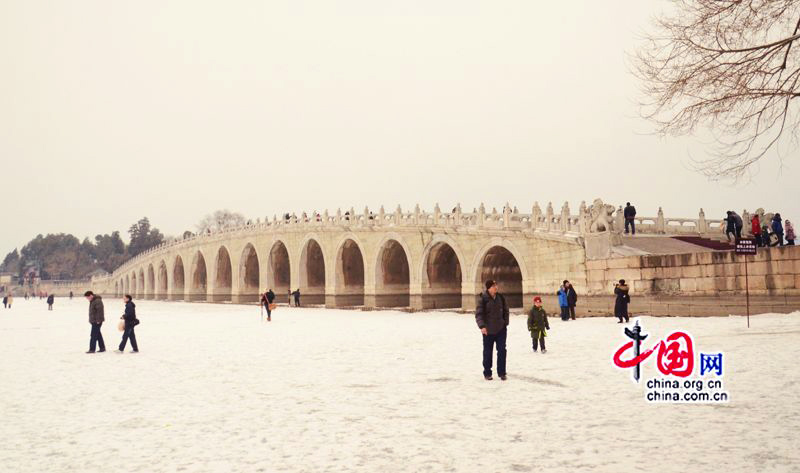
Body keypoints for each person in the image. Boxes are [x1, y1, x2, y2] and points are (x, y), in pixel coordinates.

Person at [475, 280, 509, 381]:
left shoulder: (500, 297)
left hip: (501, 329)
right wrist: (482, 326)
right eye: (494, 286)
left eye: (496, 285)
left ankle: (502, 372)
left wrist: (505, 323)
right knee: (487, 352)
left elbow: (506, 311)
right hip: (488, 331)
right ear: (489, 288)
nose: (496, 287)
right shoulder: (483, 299)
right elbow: (479, 314)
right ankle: (487, 373)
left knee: (502, 350)